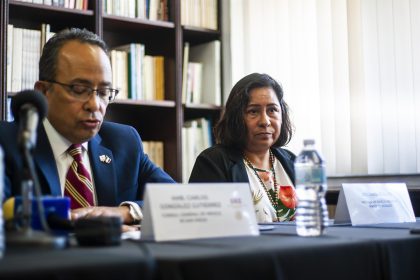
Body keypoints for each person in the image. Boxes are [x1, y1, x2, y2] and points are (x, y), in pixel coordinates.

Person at [0, 28, 174, 230]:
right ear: (43, 92)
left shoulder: (123, 141)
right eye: (79, 90)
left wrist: (125, 212)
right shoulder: (9, 142)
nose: (95, 104)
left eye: (103, 92)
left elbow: (174, 201)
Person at [189, 73, 296, 223]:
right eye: (253, 111)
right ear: (236, 117)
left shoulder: (293, 161)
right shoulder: (213, 162)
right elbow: (205, 227)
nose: (265, 121)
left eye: (272, 110)